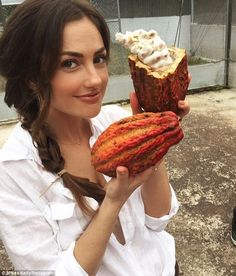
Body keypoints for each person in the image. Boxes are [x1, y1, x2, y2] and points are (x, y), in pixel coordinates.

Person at [0, 0, 190, 275]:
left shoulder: (114, 121)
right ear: (31, 76)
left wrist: (155, 137)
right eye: (70, 63)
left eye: (99, 59)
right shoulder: (13, 170)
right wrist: (113, 202)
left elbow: (159, 218)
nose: (95, 79)